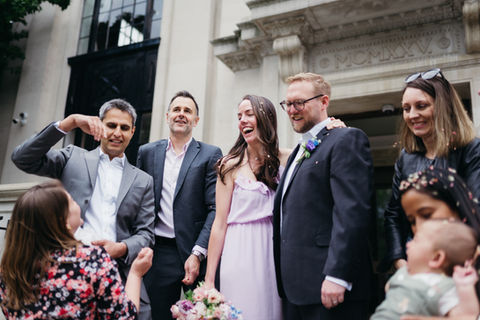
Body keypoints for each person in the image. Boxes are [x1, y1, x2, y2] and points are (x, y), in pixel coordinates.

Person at [11, 99, 155, 319]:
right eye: (111, 125)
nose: (117, 133)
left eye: (124, 128)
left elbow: (146, 233)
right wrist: (69, 123)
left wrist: (120, 248)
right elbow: (22, 158)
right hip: (66, 272)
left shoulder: (143, 180)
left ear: (133, 132)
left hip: (119, 274)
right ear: (99, 125)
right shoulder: (72, 157)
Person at [273, 72, 374, 320]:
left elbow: (351, 211)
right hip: (295, 289)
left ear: (324, 102)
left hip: (330, 286)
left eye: (300, 103)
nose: (292, 110)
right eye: (288, 104)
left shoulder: (346, 138)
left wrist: (338, 275)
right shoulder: (300, 148)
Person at [0, 180, 153, 319]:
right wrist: (136, 273)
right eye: (72, 201)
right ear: (63, 220)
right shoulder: (92, 260)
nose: (77, 203)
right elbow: (124, 316)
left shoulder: (9, 270)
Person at [136, 90, 223, 320]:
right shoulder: (146, 153)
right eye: (176, 109)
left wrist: (198, 253)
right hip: (159, 252)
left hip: (196, 252)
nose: (181, 114)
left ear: (196, 120)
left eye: (187, 111)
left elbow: (215, 208)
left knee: (205, 315)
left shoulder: (210, 154)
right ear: (167, 116)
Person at [383, 68, 480, 272]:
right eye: (406, 108)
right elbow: (393, 214)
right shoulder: (406, 157)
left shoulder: (471, 149)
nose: (412, 115)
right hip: (415, 264)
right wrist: (400, 261)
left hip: (460, 264)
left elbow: (474, 210)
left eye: (421, 106)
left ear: (443, 107)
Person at [203, 94, 290, 319]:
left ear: (266, 117)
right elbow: (219, 224)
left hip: (274, 251)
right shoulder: (229, 165)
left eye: (249, 114)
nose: (242, 120)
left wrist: (331, 125)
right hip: (239, 250)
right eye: (239, 116)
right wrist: (209, 280)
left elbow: (316, 145)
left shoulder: (287, 159)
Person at [371, 220, 479, 319]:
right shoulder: (406, 271)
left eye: (416, 241)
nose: (408, 244)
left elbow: (466, 316)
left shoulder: (444, 286)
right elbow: (389, 288)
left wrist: (466, 287)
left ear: (437, 258)